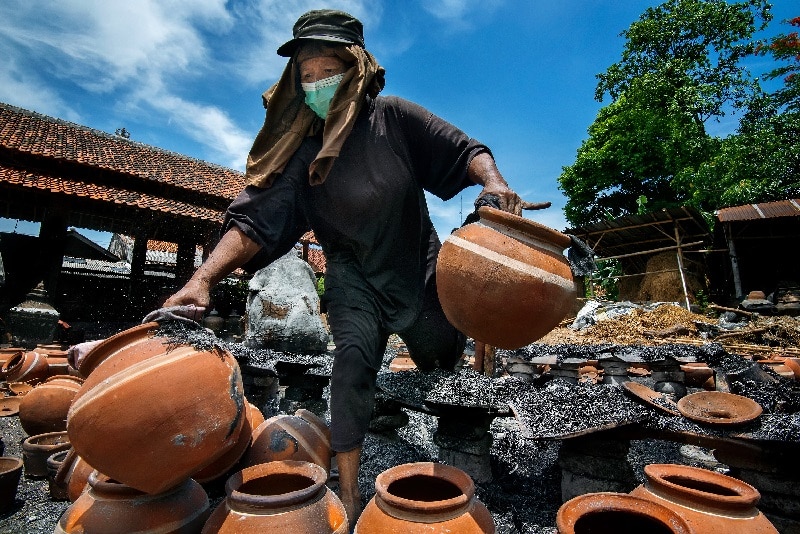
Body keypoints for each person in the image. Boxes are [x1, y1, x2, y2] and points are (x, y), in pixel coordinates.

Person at [163, 8, 545, 527]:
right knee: (352, 364)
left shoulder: (393, 118)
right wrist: (202, 279)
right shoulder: (302, 153)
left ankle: (453, 469)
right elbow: (255, 219)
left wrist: (493, 183)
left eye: (328, 71)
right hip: (349, 274)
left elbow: (465, 151)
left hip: (416, 266)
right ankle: (349, 493)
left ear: (357, 69)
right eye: (307, 75)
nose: (316, 84)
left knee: (441, 361)